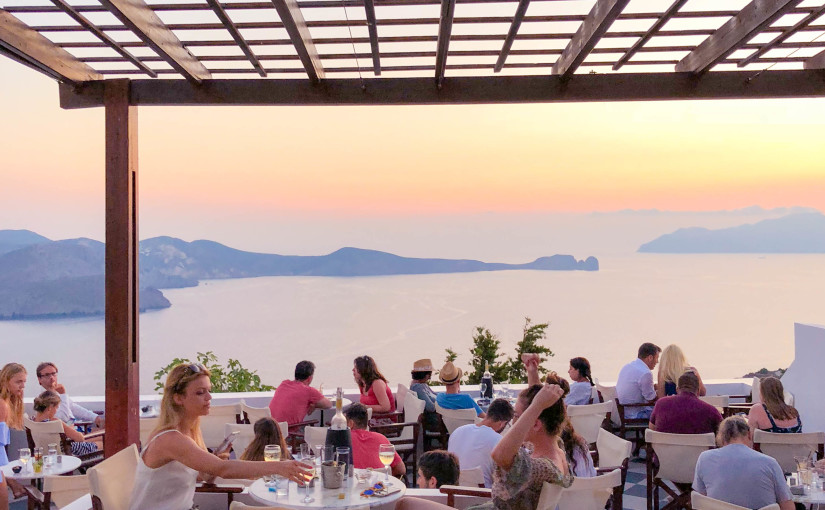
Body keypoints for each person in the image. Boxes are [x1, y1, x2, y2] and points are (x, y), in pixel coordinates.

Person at [129, 363, 311, 510]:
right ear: (178, 398)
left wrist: (212, 466)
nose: (209, 397)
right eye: (200, 392)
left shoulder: (189, 432)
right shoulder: (170, 439)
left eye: (208, 390)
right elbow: (224, 469)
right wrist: (279, 467)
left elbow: (202, 476)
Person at [487, 383, 573, 510]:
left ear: (535, 423)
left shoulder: (541, 469)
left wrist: (536, 406)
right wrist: (532, 374)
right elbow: (542, 414)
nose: (513, 422)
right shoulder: (557, 449)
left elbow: (499, 456)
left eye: (516, 416)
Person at [693, 416, 794, 510]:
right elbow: (788, 507)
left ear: (721, 437)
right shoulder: (769, 463)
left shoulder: (705, 459)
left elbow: (703, 500)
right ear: (749, 434)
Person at [448, 398, 513, 488]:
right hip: (482, 496)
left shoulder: (457, 431)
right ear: (502, 424)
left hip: (454, 490)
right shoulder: (498, 441)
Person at [649, 372, 722, 434]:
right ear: (698, 391)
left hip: (664, 450)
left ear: (677, 389)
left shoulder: (661, 404)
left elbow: (652, 428)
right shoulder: (710, 411)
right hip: (699, 450)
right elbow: (723, 433)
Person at [344, 403, 405, 477]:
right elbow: (401, 469)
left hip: (353, 485)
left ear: (351, 423)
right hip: (379, 486)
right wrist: (387, 476)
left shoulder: (344, 439)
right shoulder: (381, 439)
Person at [31, 390, 100, 456]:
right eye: (56, 407)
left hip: (49, 452)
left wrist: (68, 429)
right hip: (69, 451)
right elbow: (80, 439)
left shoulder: (33, 421)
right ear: (50, 408)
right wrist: (71, 429)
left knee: (96, 438)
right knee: (103, 441)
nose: (56, 411)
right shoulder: (55, 422)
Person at [36, 362, 103, 428]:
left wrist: (95, 417)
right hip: (68, 435)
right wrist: (63, 394)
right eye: (47, 375)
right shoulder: (44, 399)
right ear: (39, 379)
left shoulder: (55, 393)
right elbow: (65, 419)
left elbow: (73, 408)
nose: (52, 377)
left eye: (53, 374)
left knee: (106, 430)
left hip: (73, 428)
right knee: (108, 435)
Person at [268, 360, 331, 425]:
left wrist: (312, 404)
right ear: (310, 378)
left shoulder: (284, 384)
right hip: (288, 432)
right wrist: (313, 404)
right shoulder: (308, 391)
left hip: (270, 429)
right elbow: (328, 404)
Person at [0, 363, 28, 502]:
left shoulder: (6, 404)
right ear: (5, 381)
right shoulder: (2, 405)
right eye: (18, 382)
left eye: (24, 382)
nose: (22, 386)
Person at [615, 342, 661, 419]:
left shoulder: (627, 366)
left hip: (623, 411)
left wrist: (653, 387)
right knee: (665, 413)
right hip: (635, 414)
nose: (657, 362)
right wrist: (661, 392)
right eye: (657, 358)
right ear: (650, 357)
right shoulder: (645, 373)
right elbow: (651, 399)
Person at [409, 358, 440, 432]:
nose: (430, 377)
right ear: (425, 375)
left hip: (436, 417)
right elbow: (430, 407)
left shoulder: (422, 384)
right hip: (434, 421)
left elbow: (435, 394)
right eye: (429, 374)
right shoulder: (418, 388)